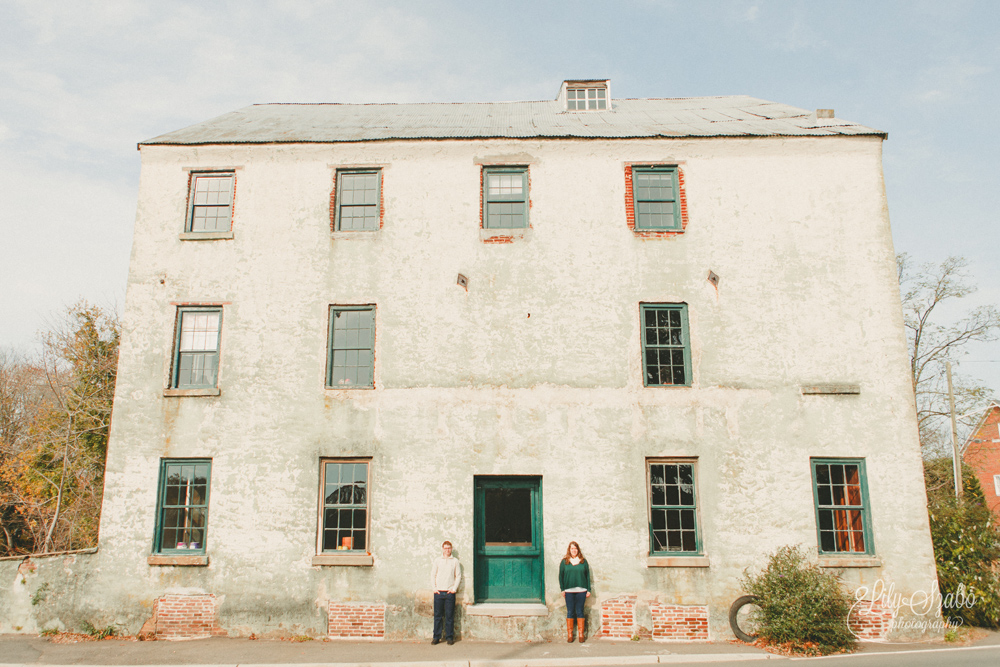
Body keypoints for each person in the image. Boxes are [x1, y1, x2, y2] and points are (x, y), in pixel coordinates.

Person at [558, 541, 591, 643]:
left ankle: (581, 634)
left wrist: (588, 589)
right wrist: (562, 589)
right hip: (569, 591)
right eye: (572, 548)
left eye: (575, 548)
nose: (574, 550)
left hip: (581, 590)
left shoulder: (583, 561)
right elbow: (560, 576)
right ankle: (570, 634)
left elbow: (588, 576)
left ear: (578, 550)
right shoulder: (564, 562)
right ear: (569, 550)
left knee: (580, 611)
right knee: (570, 611)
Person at [430, 540, 461, 645]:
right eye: (445, 548)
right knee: (438, 616)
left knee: (449, 616)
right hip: (438, 592)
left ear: (451, 549)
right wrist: (434, 588)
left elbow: (458, 576)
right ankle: (436, 637)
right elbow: (433, 575)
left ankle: (449, 637)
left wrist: (454, 589)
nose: (447, 550)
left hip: (449, 593)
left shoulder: (455, 561)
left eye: (449, 548)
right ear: (442, 549)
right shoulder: (437, 560)